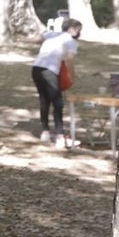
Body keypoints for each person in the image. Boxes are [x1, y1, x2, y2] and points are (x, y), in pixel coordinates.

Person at [31, 18, 82, 146]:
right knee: (58, 103)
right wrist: (73, 76)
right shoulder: (71, 42)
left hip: (36, 68)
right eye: (79, 30)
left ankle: (45, 132)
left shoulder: (52, 34)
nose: (79, 33)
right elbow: (70, 60)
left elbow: (37, 39)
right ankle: (60, 136)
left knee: (44, 100)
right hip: (50, 71)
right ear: (73, 29)